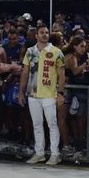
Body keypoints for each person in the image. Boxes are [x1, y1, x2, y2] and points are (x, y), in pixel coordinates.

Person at [19, 25, 65, 165]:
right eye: (42, 33)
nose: (45, 35)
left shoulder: (57, 52)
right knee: (37, 124)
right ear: (36, 36)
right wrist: (21, 91)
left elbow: (62, 74)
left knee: (52, 124)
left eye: (46, 33)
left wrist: (61, 93)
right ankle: (39, 153)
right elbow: (25, 72)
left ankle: (55, 154)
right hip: (33, 94)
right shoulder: (30, 52)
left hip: (49, 94)